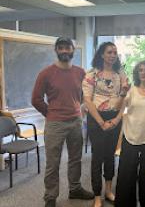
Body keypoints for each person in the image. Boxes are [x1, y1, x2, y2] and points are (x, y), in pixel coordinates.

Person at [32, 37, 94, 207]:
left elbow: (84, 96)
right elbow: (36, 99)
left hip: (75, 122)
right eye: (61, 48)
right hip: (55, 124)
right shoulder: (46, 73)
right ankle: (50, 197)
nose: (65, 51)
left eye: (68, 48)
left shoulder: (80, 72)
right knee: (53, 162)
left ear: (73, 50)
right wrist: (50, 113)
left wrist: (80, 108)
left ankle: (75, 188)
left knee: (75, 159)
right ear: (56, 50)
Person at [82, 42, 129, 207]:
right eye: (109, 52)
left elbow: (124, 98)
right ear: (102, 54)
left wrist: (117, 119)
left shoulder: (120, 74)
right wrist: (101, 122)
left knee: (110, 155)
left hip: (115, 118)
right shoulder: (91, 74)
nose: (112, 55)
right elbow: (87, 100)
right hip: (96, 118)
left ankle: (108, 190)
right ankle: (96, 195)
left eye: (115, 52)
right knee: (97, 157)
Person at [115, 60, 145, 207]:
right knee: (127, 177)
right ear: (137, 73)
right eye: (140, 70)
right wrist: (122, 92)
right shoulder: (131, 90)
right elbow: (117, 107)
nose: (143, 73)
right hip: (131, 136)